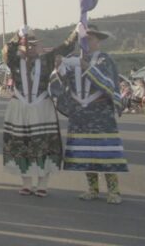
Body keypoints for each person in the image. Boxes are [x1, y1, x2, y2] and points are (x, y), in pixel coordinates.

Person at [51, 24, 128, 205]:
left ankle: (114, 190)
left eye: (90, 39)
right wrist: (59, 68)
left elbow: (108, 84)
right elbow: (59, 83)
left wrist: (85, 65)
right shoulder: (71, 59)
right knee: (86, 153)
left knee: (106, 153)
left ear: (98, 41)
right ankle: (92, 189)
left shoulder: (104, 60)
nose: (85, 42)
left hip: (100, 113)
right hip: (80, 114)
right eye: (83, 39)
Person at [2, 26, 77, 197]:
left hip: (42, 106)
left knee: (44, 144)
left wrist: (75, 33)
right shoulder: (14, 61)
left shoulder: (47, 60)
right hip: (20, 106)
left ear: (39, 47)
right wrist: (18, 35)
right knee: (22, 144)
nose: (29, 48)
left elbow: (65, 47)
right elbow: (7, 50)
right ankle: (26, 183)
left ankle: (43, 183)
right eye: (26, 45)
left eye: (33, 45)